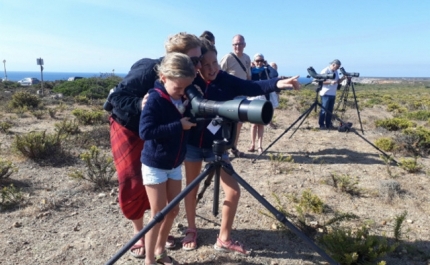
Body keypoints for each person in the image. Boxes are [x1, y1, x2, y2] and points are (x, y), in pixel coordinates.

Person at [181, 39, 300, 254]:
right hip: (192, 144)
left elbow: (251, 86)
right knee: (191, 188)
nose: (212, 69)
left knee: (233, 192)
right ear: (197, 65)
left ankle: (224, 238)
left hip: (216, 145)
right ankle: (191, 229)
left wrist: (278, 83)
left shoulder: (224, 79)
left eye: (215, 62)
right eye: (205, 64)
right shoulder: (190, 82)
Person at [107, 32, 201, 259]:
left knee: (163, 197)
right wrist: (141, 104)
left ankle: (157, 239)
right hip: (128, 125)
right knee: (133, 179)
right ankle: (140, 233)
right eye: (195, 59)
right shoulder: (147, 69)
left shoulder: (186, 79)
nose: (198, 65)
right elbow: (116, 98)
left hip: (161, 138)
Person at [139, 52, 196, 265]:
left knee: (172, 210)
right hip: (155, 164)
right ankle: (149, 260)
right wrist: (178, 126)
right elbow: (145, 131)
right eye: (178, 87)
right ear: (163, 77)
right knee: (158, 214)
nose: (182, 92)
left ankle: (160, 250)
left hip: (174, 164)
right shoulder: (155, 98)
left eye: (186, 87)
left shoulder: (182, 98)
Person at [219, 34, 252, 158]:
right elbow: (218, 74)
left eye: (239, 43)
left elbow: (248, 77)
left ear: (244, 44)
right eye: (235, 44)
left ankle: (234, 147)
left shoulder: (247, 58)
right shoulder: (227, 58)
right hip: (229, 97)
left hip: (242, 95)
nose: (237, 46)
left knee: (238, 124)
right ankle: (224, 148)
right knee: (227, 123)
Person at [248, 53, 279, 154]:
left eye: (261, 60)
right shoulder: (251, 71)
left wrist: (268, 65)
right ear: (254, 61)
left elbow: (275, 75)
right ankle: (252, 144)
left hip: (264, 98)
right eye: (257, 61)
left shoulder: (266, 70)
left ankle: (260, 146)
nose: (259, 63)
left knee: (261, 124)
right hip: (253, 98)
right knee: (253, 124)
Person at [318, 59, 346, 130]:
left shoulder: (336, 72)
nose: (337, 68)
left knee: (330, 111)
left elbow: (337, 82)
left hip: (332, 94)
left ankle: (328, 124)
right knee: (324, 110)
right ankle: (321, 125)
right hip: (325, 93)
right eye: (337, 66)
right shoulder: (325, 71)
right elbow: (320, 81)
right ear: (333, 64)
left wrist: (343, 78)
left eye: (338, 67)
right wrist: (330, 82)